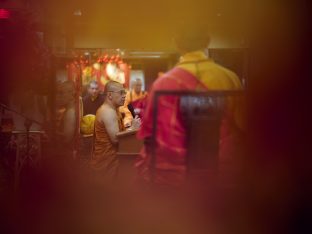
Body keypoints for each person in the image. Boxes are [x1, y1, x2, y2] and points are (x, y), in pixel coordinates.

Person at [135, 23, 245, 186]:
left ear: (177, 43)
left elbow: (153, 139)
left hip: (176, 181)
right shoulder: (229, 78)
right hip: (221, 179)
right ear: (207, 41)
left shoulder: (163, 84)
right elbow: (242, 130)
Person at [90, 81, 141, 183]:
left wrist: (131, 128)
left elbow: (117, 133)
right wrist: (132, 129)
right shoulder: (108, 112)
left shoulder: (113, 109)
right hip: (106, 161)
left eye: (125, 93)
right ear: (109, 95)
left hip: (110, 159)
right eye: (121, 92)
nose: (124, 96)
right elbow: (116, 140)